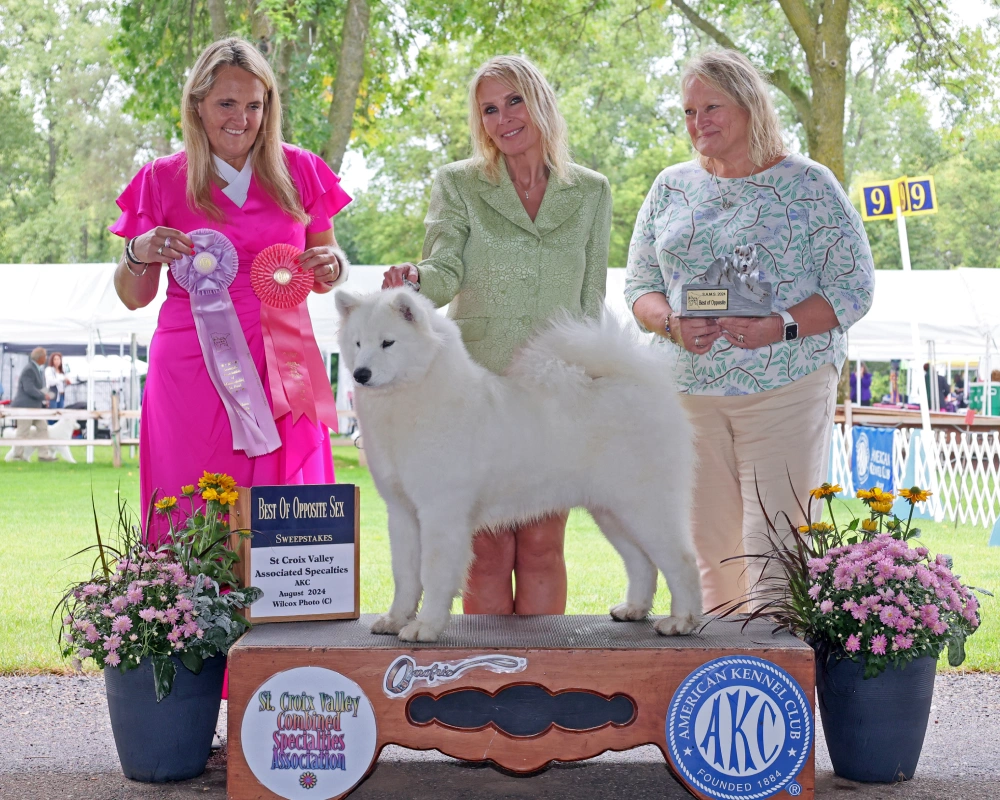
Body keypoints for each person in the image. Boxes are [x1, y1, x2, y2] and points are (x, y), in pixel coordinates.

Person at [625, 49, 875, 612]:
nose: (698, 122)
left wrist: (779, 326)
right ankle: (718, 690)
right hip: (688, 396)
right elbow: (638, 284)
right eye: (689, 111)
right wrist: (669, 324)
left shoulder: (809, 184)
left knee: (777, 552)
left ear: (750, 106)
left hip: (786, 386)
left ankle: (776, 690)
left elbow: (853, 286)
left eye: (712, 107)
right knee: (706, 554)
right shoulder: (670, 187)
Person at [382, 55, 612, 616]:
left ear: (539, 103)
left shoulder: (591, 192)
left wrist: (592, 383)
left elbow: (591, 300)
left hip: (553, 390)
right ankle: (486, 691)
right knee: (483, 550)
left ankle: (545, 692)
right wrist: (414, 279)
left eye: (513, 101)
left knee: (541, 546)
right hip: (476, 388)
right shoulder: (457, 184)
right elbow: (443, 272)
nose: (503, 118)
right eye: (489, 108)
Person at [110, 38, 352, 540]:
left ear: (269, 108)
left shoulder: (301, 170)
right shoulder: (160, 179)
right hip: (190, 369)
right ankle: (185, 611)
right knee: (192, 500)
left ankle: (287, 610)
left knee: (281, 512)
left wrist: (333, 266)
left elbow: (326, 272)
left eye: (254, 106)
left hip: (280, 364)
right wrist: (137, 251)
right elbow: (134, 296)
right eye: (226, 104)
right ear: (197, 105)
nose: (240, 118)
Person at [9, 347, 55, 462]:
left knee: (43, 428)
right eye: (45, 356)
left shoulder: (38, 369)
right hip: (25, 407)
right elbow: (29, 388)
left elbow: (39, 387)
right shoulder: (29, 369)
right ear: (40, 358)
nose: (46, 358)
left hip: (35, 408)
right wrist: (43, 396)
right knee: (23, 431)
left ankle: (43, 455)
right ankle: (17, 456)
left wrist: (48, 395)